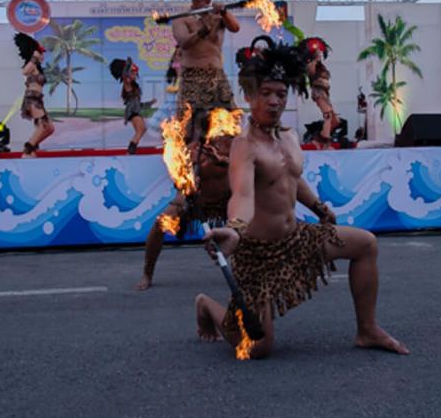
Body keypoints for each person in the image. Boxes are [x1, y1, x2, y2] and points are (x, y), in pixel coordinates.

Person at [195, 41, 408, 358]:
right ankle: (207, 306)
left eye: (281, 94)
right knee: (258, 348)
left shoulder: (290, 136)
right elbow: (243, 194)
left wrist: (319, 209)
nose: (274, 101)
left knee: (366, 244)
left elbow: (292, 178)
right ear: (250, 96)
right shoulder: (244, 146)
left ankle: (367, 329)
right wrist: (234, 229)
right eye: (266, 93)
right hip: (259, 254)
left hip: (296, 238)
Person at [134, 134, 233, 291]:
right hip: (198, 202)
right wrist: (185, 196)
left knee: (251, 225)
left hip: (228, 201)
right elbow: (180, 183)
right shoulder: (191, 145)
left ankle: (251, 272)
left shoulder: (228, 138)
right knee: (160, 224)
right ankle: (147, 273)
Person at [171, 0, 240, 143]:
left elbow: (235, 27)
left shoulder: (219, 16)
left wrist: (223, 12)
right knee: (188, 128)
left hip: (216, 76)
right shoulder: (182, 18)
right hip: (192, 77)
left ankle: (228, 155)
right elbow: (184, 42)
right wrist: (202, 29)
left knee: (230, 123)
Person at [15, 33, 54, 156]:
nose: (43, 56)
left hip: (38, 99)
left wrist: (37, 58)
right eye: (41, 53)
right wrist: (35, 57)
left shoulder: (37, 66)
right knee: (43, 126)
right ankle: (27, 152)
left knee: (50, 128)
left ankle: (32, 148)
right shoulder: (32, 65)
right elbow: (25, 72)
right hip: (32, 100)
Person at [301, 36, 339, 146]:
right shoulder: (310, 65)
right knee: (328, 115)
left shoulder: (321, 66)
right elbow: (311, 73)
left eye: (320, 53)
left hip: (325, 93)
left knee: (336, 121)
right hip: (318, 91)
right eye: (318, 53)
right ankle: (325, 142)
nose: (320, 54)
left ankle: (318, 139)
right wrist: (314, 60)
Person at [109, 57, 148, 154]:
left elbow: (138, 101)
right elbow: (126, 73)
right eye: (132, 73)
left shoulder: (133, 85)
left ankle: (132, 149)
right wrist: (128, 64)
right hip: (132, 110)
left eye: (135, 73)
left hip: (136, 109)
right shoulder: (127, 82)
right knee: (140, 130)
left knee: (142, 129)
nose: (135, 74)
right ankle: (130, 151)